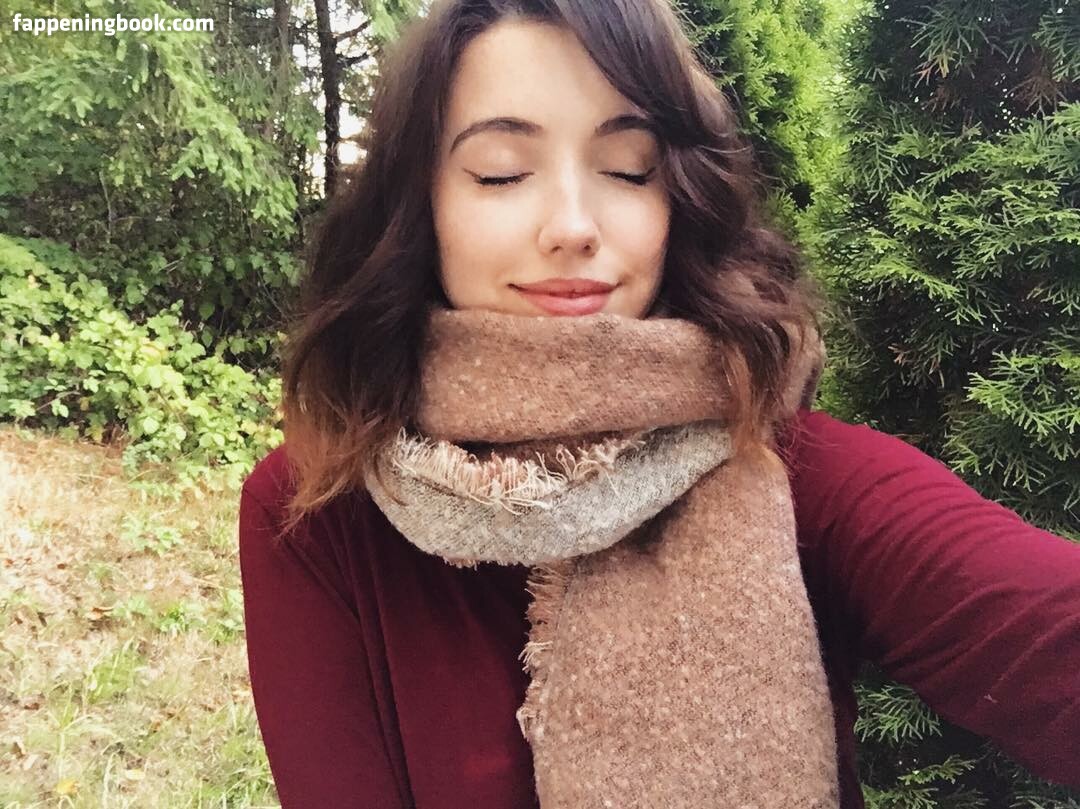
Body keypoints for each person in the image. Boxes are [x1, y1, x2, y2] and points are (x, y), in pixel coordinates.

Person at [237, 0, 1080, 807]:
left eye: (627, 168)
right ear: (420, 201)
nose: (573, 225)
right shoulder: (315, 510)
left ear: (676, 195)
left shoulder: (789, 471)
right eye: (502, 171)